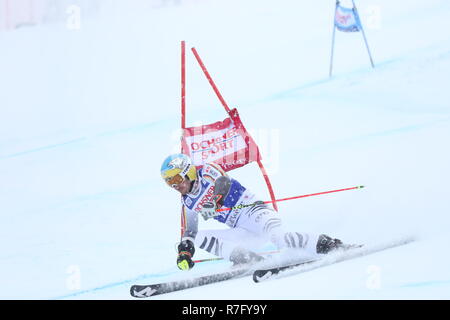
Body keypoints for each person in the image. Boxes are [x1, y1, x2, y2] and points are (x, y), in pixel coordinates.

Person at [160, 153, 353, 271]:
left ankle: (330, 244)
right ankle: (246, 259)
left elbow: (223, 182)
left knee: (279, 237)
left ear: (188, 171)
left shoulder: (206, 171)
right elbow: (190, 232)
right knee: (199, 237)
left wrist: (215, 201)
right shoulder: (187, 202)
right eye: (169, 182)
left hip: (255, 213)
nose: (175, 185)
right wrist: (184, 251)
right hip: (242, 231)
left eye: (176, 178)